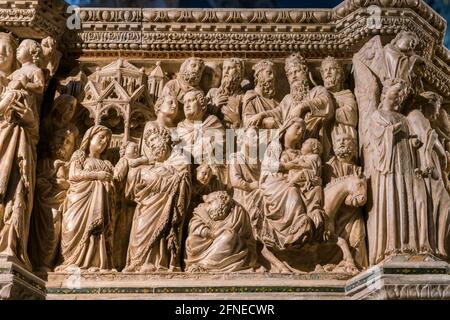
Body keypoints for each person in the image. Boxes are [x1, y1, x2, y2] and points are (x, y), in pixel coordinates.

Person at [56, 125, 115, 272]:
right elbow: (73, 175)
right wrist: (97, 176)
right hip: (78, 201)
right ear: (90, 138)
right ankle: (71, 261)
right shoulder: (80, 155)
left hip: (100, 205)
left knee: (97, 231)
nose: (104, 142)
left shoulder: (107, 164)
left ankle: (95, 263)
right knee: (72, 229)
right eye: (101, 137)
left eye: (107, 140)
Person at [185, 191, 257, 272]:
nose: (207, 207)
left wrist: (210, 223)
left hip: (231, 247)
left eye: (210, 202)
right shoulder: (202, 209)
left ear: (223, 200)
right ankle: (198, 264)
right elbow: (195, 223)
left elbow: (238, 233)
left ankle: (204, 265)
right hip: (206, 239)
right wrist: (209, 233)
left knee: (229, 236)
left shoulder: (238, 212)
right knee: (192, 240)